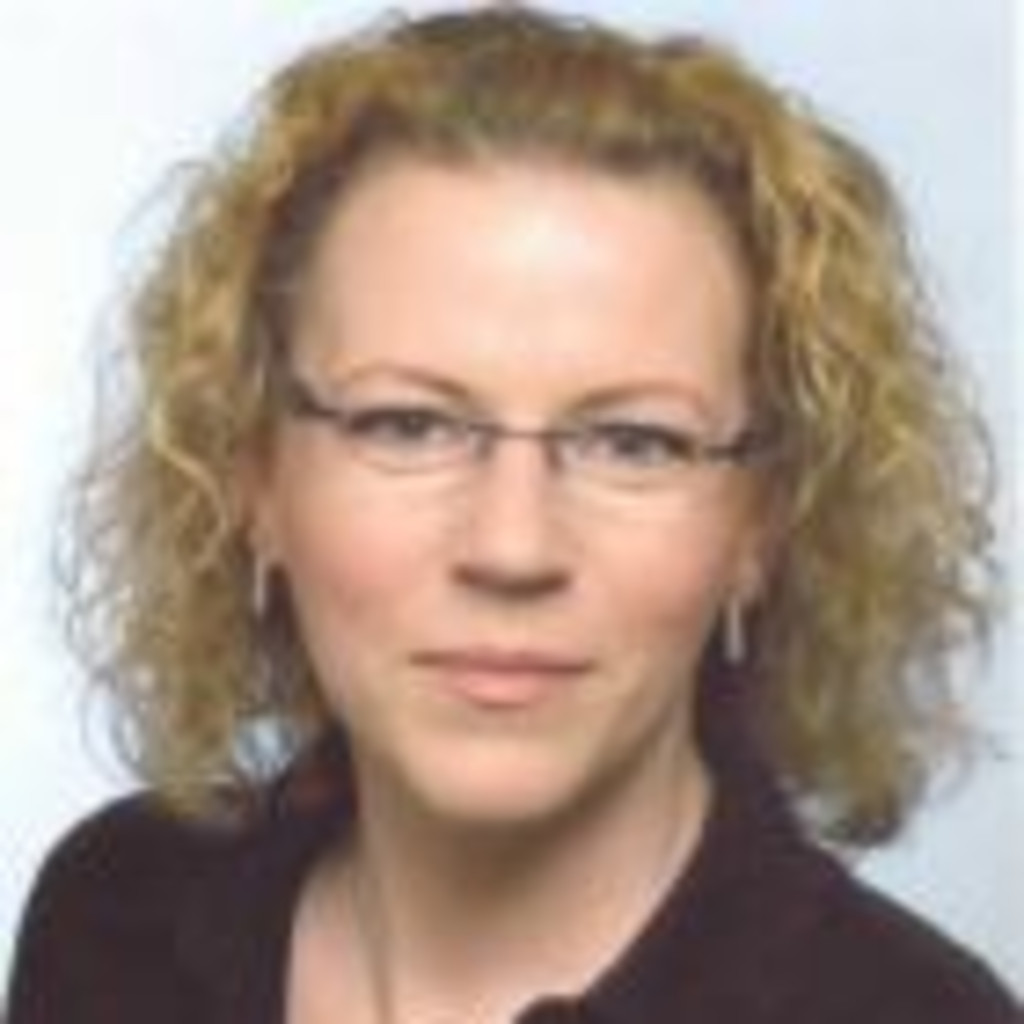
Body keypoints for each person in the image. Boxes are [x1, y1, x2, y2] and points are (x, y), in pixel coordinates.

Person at [6, 5, 1020, 1023]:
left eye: (634, 442)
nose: (512, 545)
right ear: (255, 477)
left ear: (760, 521)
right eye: (407, 424)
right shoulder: (114, 919)